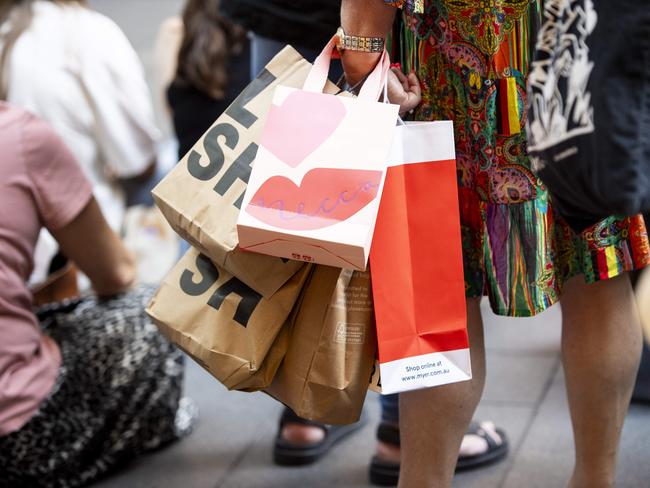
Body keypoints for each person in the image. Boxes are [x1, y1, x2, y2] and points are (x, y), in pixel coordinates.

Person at [339, 1, 650, 487]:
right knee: (597, 274)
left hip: (447, 58)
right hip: (574, 50)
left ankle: (423, 481)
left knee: (443, 296)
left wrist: (363, 54)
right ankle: (596, 480)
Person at [220, 2, 509, 484]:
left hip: (277, 10)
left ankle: (302, 412)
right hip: (364, 26)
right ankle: (397, 430)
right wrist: (364, 56)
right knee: (407, 239)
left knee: (301, 223)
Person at [0, 103, 196, 487]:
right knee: (150, 310)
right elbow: (116, 274)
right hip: (15, 436)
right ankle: (150, 427)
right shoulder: (18, 132)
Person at [0, 0, 161, 283]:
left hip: (27, 260)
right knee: (170, 162)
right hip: (82, 263)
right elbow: (138, 161)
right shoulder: (85, 32)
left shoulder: (11, 34)